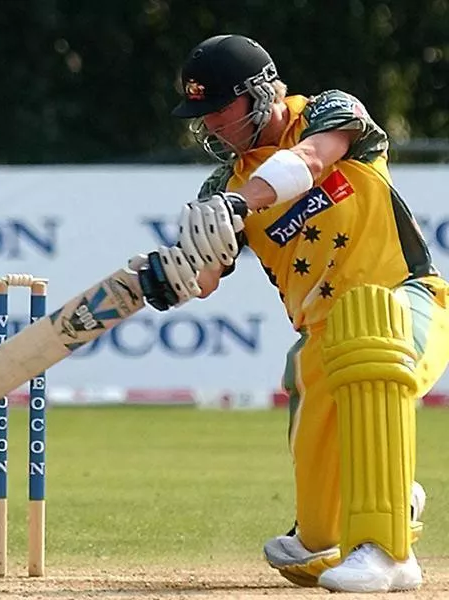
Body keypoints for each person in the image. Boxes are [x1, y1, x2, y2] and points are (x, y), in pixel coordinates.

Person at [135, 34, 449, 593]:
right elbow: (206, 278)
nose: (208, 125)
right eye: (200, 114)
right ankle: (388, 493)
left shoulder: (331, 112)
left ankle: (386, 550)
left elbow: (309, 159)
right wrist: (174, 274)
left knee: (370, 347)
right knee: (318, 539)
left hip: (406, 300)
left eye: (217, 110)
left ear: (257, 93)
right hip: (319, 343)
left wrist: (242, 201)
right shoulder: (220, 184)